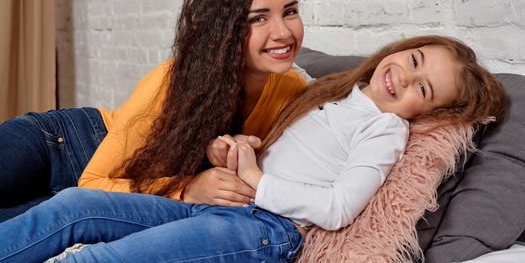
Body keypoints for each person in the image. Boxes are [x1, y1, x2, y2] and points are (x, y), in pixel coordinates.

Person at [0, 35, 509, 263]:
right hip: (229, 205)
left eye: (423, 89)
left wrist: (258, 181)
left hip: (266, 232)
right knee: (72, 207)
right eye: (415, 59)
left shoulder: (385, 132)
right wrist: (237, 155)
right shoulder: (332, 93)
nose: (406, 76)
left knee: (97, 259)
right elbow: (291, 162)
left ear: (428, 115)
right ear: (401, 47)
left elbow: (336, 209)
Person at [0, 0, 308, 222]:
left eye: (290, 12)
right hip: (63, 144)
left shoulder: (293, 90)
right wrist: (188, 188)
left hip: (102, 195)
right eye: (259, 19)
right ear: (224, 29)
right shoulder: (174, 81)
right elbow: (93, 182)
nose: (283, 32)